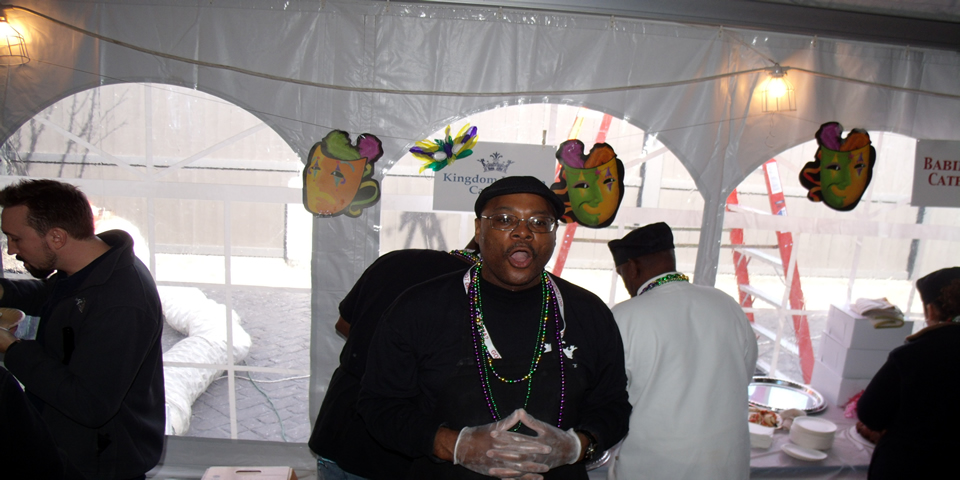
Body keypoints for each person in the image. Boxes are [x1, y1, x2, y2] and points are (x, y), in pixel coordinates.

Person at [358, 176, 631, 479]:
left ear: (553, 235)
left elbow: (613, 406)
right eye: (504, 220)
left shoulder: (588, 312)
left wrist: (577, 446)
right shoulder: (419, 308)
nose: (523, 232)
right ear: (479, 230)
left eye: (540, 222)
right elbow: (379, 405)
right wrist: (454, 445)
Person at [0, 179, 165, 480]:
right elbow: (50, 296)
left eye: (16, 238)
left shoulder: (122, 302)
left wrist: (11, 347)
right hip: (68, 446)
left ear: (57, 237)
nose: (11, 250)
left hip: (97, 465)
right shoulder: (88, 267)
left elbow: (89, 404)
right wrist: (3, 292)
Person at [309, 243, 479, 479]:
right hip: (391, 447)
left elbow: (344, 324)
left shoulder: (395, 261)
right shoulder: (474, 295)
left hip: (339, 427)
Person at [606, 222, 758, 480]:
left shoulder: (624, 316)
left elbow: (609, 399)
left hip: (657, 468)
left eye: (622, 275)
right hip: (726, 465)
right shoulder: (725, 303)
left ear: (632, 267)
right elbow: (744, 374)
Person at [857, 267, 960, 479]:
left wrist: (886, 431)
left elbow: (870, 414)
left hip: (910, 467)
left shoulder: (914, 355)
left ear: (931, 311)